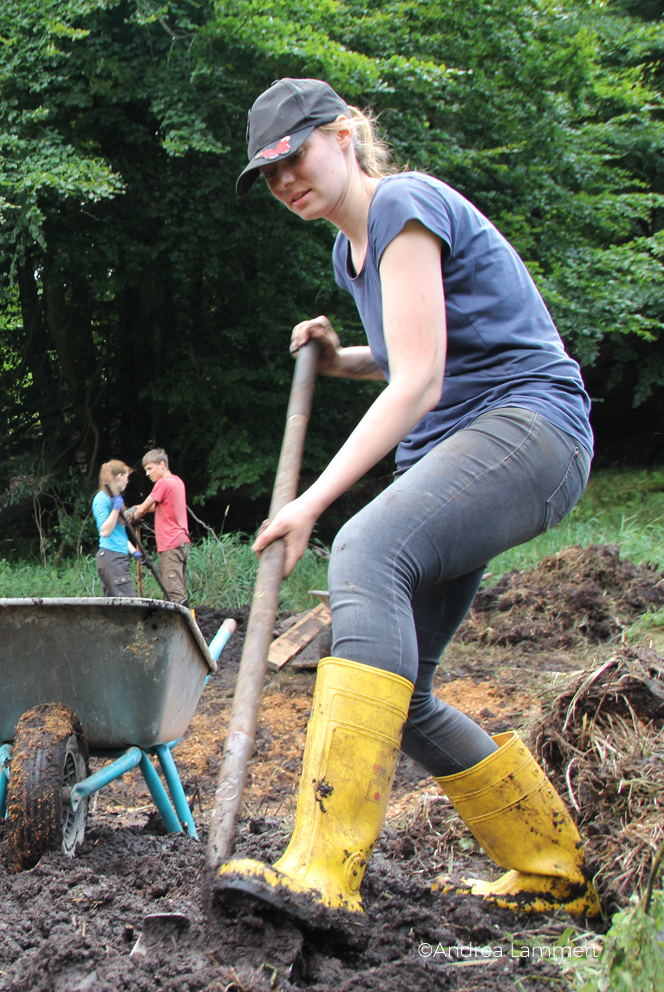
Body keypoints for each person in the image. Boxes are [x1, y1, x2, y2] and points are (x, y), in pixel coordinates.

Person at [215, 79, 597, 920]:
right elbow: (405, 353)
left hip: (527, 426)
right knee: (410, 697)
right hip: (466, 443)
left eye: (295, 158)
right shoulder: (350, 253)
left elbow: (422, 380)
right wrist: (338, 354)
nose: (284, 184)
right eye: (268, 175)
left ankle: (324, 867)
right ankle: (551, 872)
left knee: (363, 547)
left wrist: (311, 501)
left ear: (345, 135)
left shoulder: (405, 206)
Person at [124, 448, 190, 604]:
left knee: (173, 595)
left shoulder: (163, 483)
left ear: (162, 465)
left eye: (149, 468)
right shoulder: (177, 482)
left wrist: (132, 514)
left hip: (170, 544)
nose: (147, 473)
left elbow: (143, 508)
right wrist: (140, 509)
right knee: (178, 588)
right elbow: (160, 506)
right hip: (182, 542)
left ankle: (182, 626)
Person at [91, 460, 140, 597]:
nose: (127, 481)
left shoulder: (114, 498)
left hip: (117, 557)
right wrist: (116, 509)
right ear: (119, 476)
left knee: (115, 609)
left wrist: (135, 553)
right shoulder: (101, 499)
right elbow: (105, 531)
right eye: (127, 477)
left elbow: (119, 535)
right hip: (112, 558)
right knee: (128, 606)